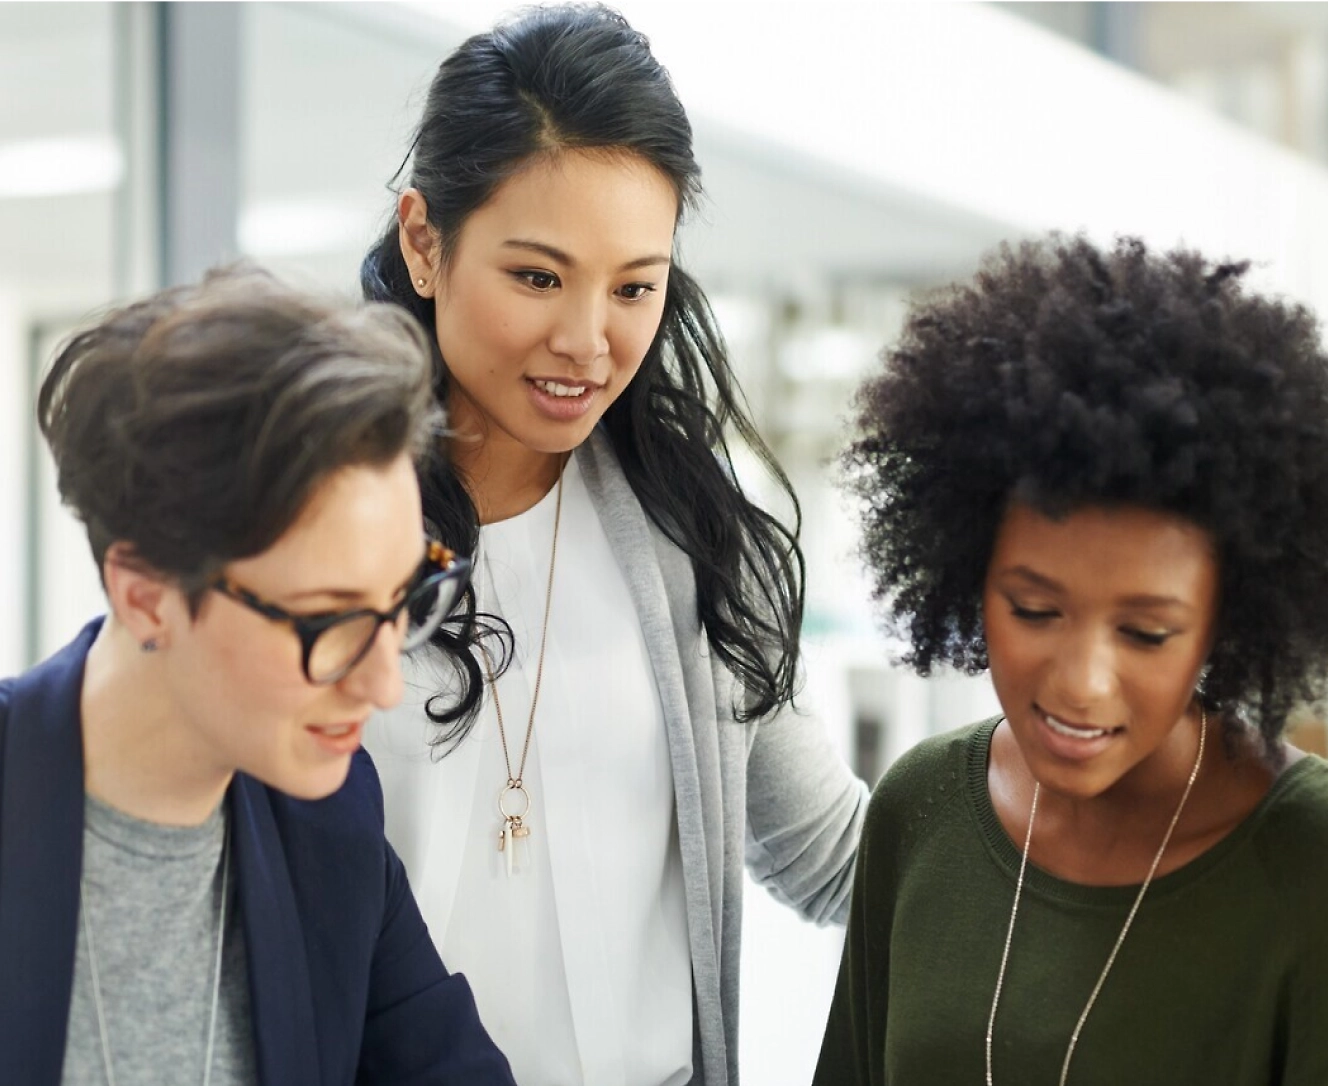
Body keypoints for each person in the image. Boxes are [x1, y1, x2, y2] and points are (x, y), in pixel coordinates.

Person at [359, 5, 867, 1084]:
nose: (589, 342)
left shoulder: (692, 540)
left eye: (634, 286)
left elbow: (835, 859)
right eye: (538, 277)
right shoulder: (313, 529)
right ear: (423, 241)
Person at [813, 234, 1328, 1084]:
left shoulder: (1305, 863)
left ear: (1226, 620)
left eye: (1146, 633)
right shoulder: (921, 810)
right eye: (1035, 610)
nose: (1081, 683)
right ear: (967, 572)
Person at [0, 266, 517, 1085]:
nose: (385, 686)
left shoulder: (331, 828)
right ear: (147, 598)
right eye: (330, 620)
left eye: (401, 600)